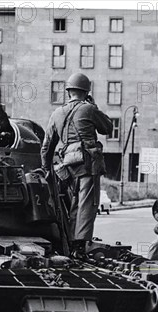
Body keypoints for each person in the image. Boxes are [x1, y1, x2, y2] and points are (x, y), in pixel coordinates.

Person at [40, 72, 113, 258]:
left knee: (74, 204)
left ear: (69, 91)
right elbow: (107, 127)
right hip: (88, 164)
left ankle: (71, 242)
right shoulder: (88, 109)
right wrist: (94, 105)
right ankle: (79, 247)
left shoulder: (57, 113)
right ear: (86, 91)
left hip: (67, 164)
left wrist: (46, 169)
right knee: (87, 204)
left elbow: (47, 145)